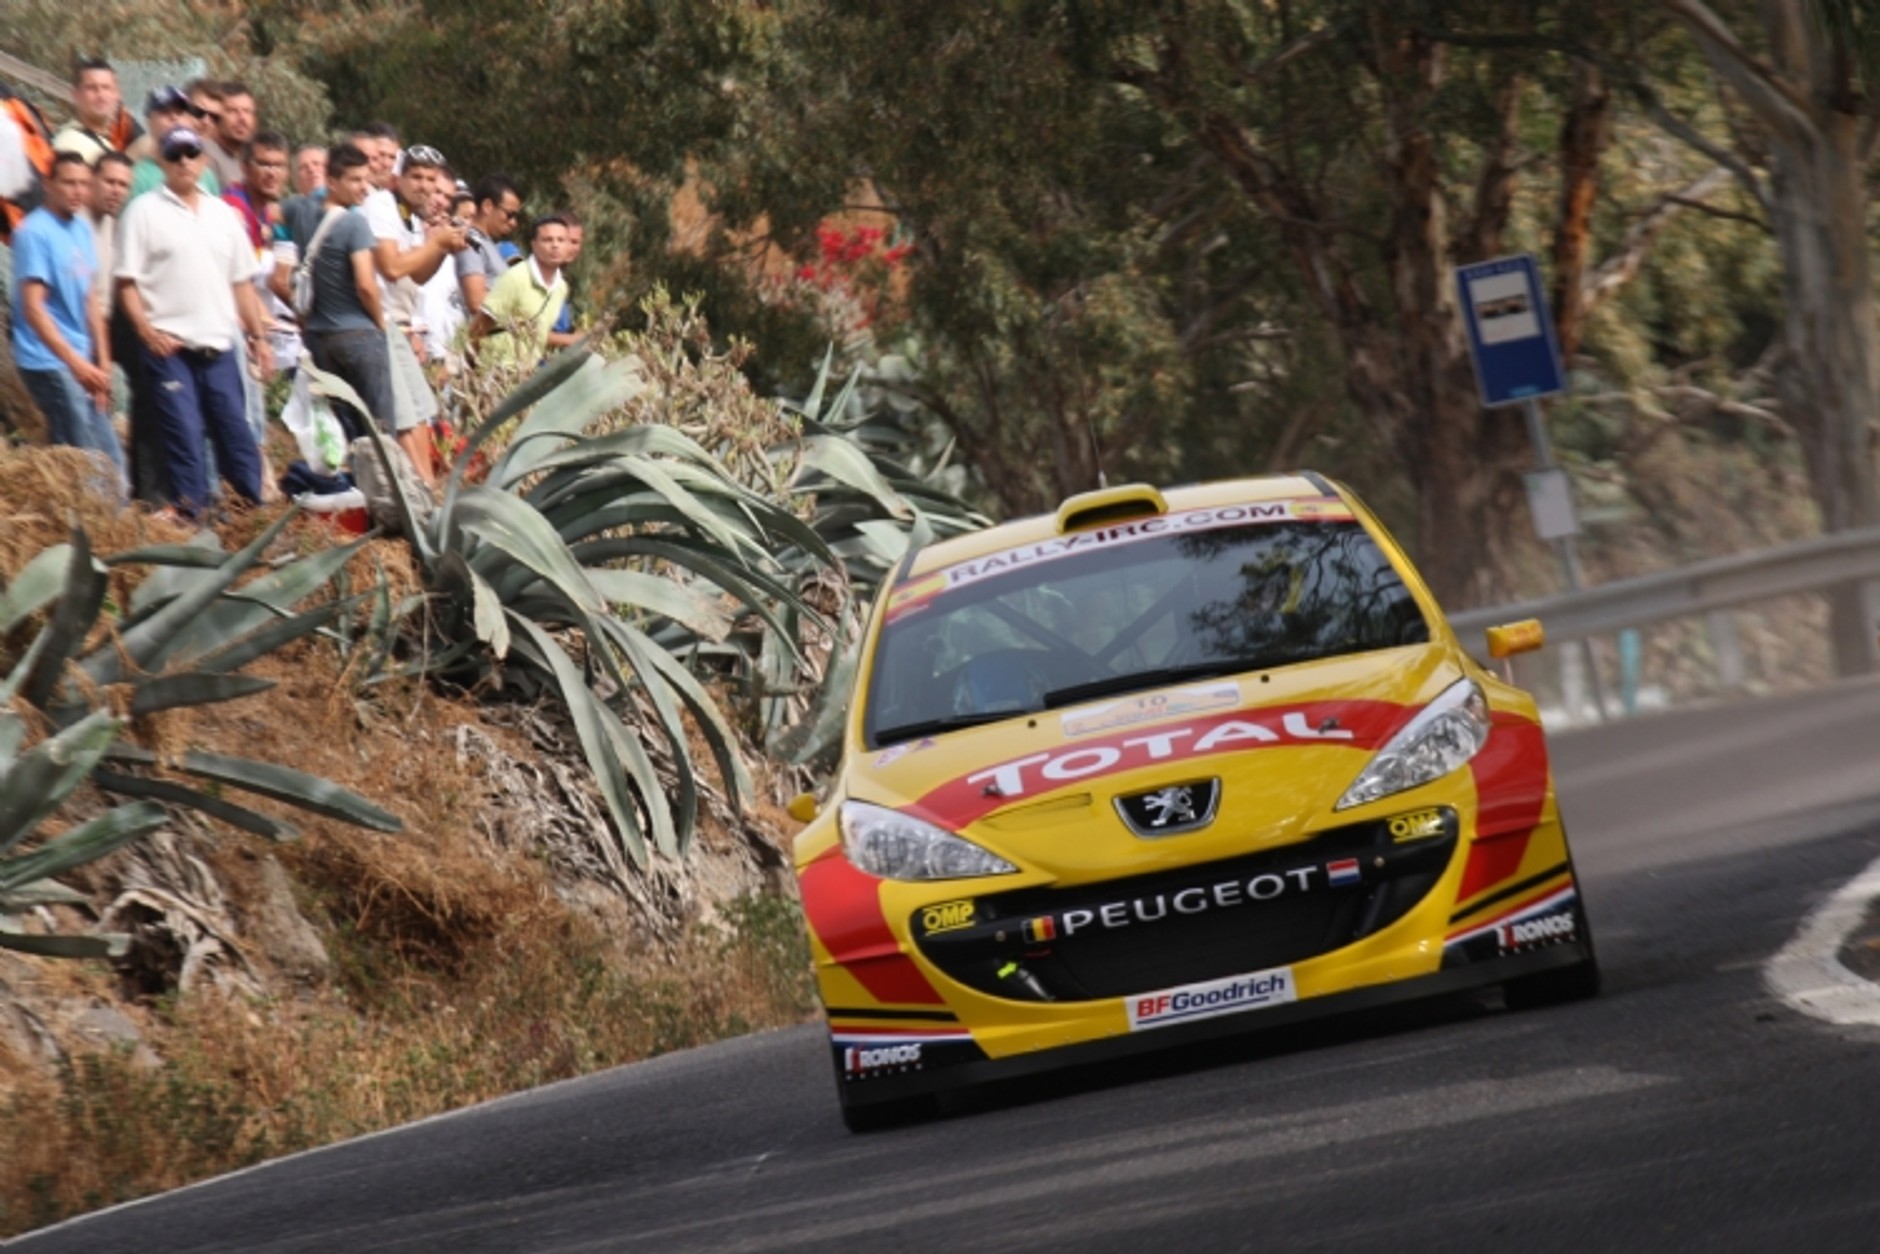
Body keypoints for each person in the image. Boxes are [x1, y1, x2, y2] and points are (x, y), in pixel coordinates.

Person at [115, 126, 272, 517]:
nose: (184, 161)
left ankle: (251, 519)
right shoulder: (142, 212)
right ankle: (192, 518)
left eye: (191, 153)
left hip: (218, 344)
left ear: (204, 159)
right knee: (183, 435)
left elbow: (242, 284)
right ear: (162, 161)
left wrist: (258, 337)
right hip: (170, 348)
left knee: (235, 434)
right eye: (174, 154)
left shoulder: (223, 215)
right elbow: (126, 283)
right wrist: (146, 331)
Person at [9, 152, 123, 479]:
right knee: (82, 458)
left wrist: (101, 361)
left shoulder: (81, 229)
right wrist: (77, 365)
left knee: (110, 459)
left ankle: (118, 523)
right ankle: (86, 525)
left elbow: (89, 299)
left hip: (82, 362)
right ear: (48, 185)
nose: (77, 191)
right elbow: (33, 307)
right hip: (49, 362)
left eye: (84, 184)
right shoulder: (35, 232)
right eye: (69, 183)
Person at [363, 143, 464, 483]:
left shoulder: (413, 216)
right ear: (400, 177)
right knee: (405, 415)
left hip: (402, 324)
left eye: (430, 179)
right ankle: (419, 491)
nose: (424, 186)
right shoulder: (382, 204)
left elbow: (418, 274)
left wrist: (442, 245)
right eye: (416, 177)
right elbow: (391, 267)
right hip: (377, 323)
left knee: (421, 410)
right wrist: (436, 245)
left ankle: (428, 486)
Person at [297, 142, 394, 448]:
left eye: (365, 179)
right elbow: (366, 284)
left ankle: (351, 488)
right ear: (332, 181)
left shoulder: (304, 220)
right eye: (354, 180)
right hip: (358, 334)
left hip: (319, 336)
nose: (363, 188)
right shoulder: (354, 222)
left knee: (341, 429)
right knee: (379, 426)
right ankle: (382, 490)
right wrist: (381, 322)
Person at [474, 214, 570, 369]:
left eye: (561, 240)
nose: (555, 245)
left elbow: (541, 334)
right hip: (495, 371)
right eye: (547, 240)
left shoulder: (561, 287)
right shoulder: (515, 277)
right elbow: (480, 324)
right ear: (534, 244)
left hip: (527, 374)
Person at [51, 57, 144, 167]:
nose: (101, 95)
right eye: (91, 88)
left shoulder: (114, 136)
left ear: (118, 95)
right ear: (76, 95)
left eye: (106, 88)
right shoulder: (69, 144)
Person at [128, 86, 216, 200]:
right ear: (149, 122)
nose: (174, 117)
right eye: (165, 112)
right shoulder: (137, 177)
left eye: (179, 112)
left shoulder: (205, 174)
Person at [455, 173, 520, 317]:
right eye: (510, 214)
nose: (513, 222)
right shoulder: (470, 242)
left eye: (516, 216)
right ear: (488, 206)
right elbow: (476, 302)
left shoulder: (487, 244)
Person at [546, 211, 584, 349]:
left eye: (575, 242)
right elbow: (528, 332)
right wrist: (570, 340)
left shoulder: (560, 281)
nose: (571, 247)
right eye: (565, 240)